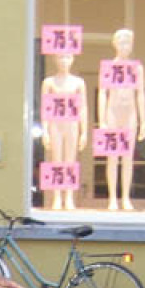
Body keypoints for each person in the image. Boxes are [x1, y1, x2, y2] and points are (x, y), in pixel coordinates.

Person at [97, 28, 145, 212]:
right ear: (115, 44)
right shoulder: (109, 67)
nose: (125, 46)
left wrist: (144, 121)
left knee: (127, 158)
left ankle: (125, 197)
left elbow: (140, 93)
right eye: (122, 42)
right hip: (112, 111)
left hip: (130, 112)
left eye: (128, 43)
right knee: (112, 158)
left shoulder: (137, 68)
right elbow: (102, 92)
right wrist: (101, 119)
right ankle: (112, 198)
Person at [39, 54, 88, 211]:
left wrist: (84, 131)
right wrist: (45, 130)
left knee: (70, 161)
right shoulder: (49, 82)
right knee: (56, 161)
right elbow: (45, 107)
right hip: (55, 122)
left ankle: (69, 197)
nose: (64, 61)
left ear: (72, 59)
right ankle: (57, 197)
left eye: (67, 57)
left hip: (72, 123)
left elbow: (83, 107)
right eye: (60, 57)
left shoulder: (78, 82)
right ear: (55, 60)